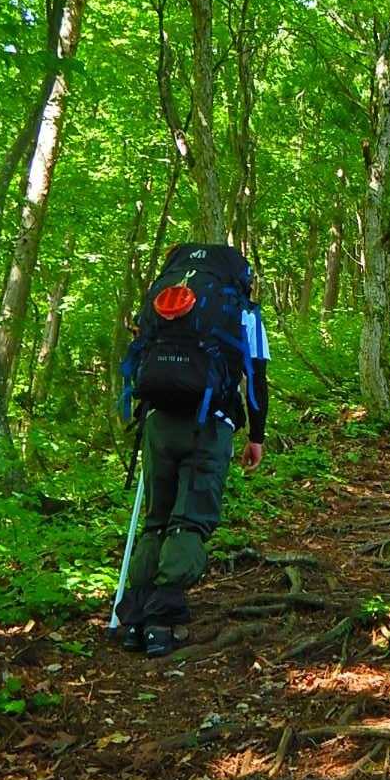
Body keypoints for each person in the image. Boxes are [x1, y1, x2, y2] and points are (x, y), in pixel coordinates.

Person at [116, 243, 269, 657]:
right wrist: (256, 436)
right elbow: (256, 378)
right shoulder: (242, 311)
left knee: (156, 520)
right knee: (189, 520)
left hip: (157, 421)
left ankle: (135, 617)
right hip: (209, 426)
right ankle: (162, 620)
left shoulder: (163, 299)